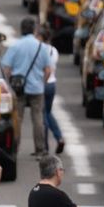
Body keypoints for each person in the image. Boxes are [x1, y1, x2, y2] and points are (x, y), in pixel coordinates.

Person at [1, 17, 54, 157]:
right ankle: (40, 149)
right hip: (37, 89)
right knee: (38, 119)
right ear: (34, 29)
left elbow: (6, 69)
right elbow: (48, 70)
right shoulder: (41, 47)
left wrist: (10, 83)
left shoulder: (15, 46)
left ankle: (15, 148)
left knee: (17, 119)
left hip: (19, 89)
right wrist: (41, 83)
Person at [39, 24, 65, 154]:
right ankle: (59, 137)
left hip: (42, 83)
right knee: (48, 113)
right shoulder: (54, 50)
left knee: (42, 116)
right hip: (52, 84)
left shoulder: (39, 50)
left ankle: (44, 146)